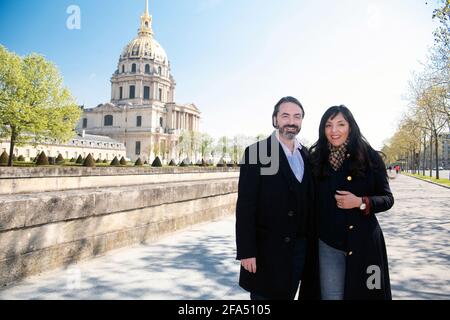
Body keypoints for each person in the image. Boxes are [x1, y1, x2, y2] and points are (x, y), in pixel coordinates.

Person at [309, 105, 394, 300]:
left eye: (340, 124)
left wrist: (360, 202)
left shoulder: (370, 157)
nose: (334, 130)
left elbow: (388, 199)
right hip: (328, 244)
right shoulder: (314, 159)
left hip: (364, 244)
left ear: (351, 127)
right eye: (328, 125)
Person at [235, 96, 314, 300]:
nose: (291, 121)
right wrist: (246, 251)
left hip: (298, 252)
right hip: (265, 253)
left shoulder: (307, 156)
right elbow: (245, 207)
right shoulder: (256, 153)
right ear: (275, 119)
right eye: (285, 115)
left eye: (297, 117)